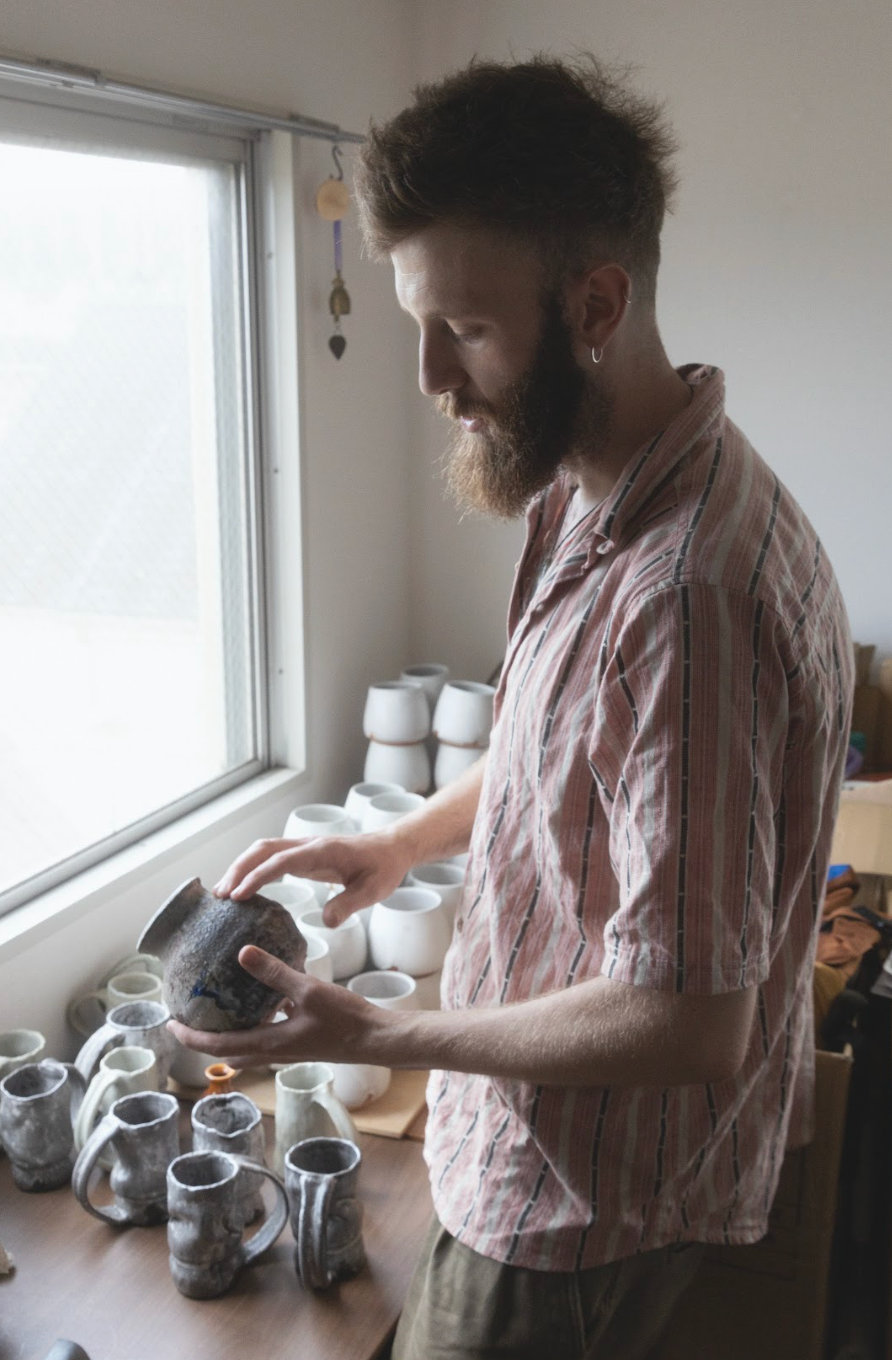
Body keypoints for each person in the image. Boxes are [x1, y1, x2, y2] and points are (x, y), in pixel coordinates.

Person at [170, 56, 854, 1360]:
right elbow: (568, 754)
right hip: (533, 1144)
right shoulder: (589, 485)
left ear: (597, 304)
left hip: (584, 1209)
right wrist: (400, 843)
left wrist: (382, 1031)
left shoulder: (689, 597)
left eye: (468, 329)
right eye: (415, 322)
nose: (431, 376)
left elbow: (690, 1018)